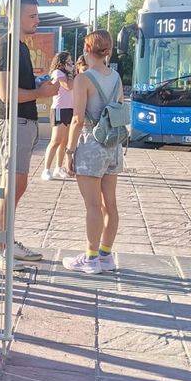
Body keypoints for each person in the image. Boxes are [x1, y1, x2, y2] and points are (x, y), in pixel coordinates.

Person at [0, 0, 60, 271]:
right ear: (14, 17)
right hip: (13, 122)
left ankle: (5, 242)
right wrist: (40, 92)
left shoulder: (19, 48)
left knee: (16, 186)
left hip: (23, 123)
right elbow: (6, 94)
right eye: (33, 16)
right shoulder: (7, 47)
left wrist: (39, 84)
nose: (38, 20)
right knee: (10, 187)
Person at [63, 30, 123, 274]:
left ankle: (90, 258)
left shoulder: (83, 79)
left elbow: (77, 119)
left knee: (92, 206)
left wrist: (69, 151)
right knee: (110, 204)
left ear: (88, 50)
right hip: (113, 145)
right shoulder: (117, 77)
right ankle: (106, 255)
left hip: (91, 144)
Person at [41, 51, 75, 181]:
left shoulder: (68, 74)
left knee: (64, 141)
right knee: (55, 140)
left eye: (71, 61)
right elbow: (68, 86)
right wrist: (71, 74)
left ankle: (58, 167)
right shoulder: (58, 73)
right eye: (69, 61)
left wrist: (71, 73)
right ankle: (46, 169)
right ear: (62, 62)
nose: (71, 63)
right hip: (59, 109)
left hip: (69, 108)